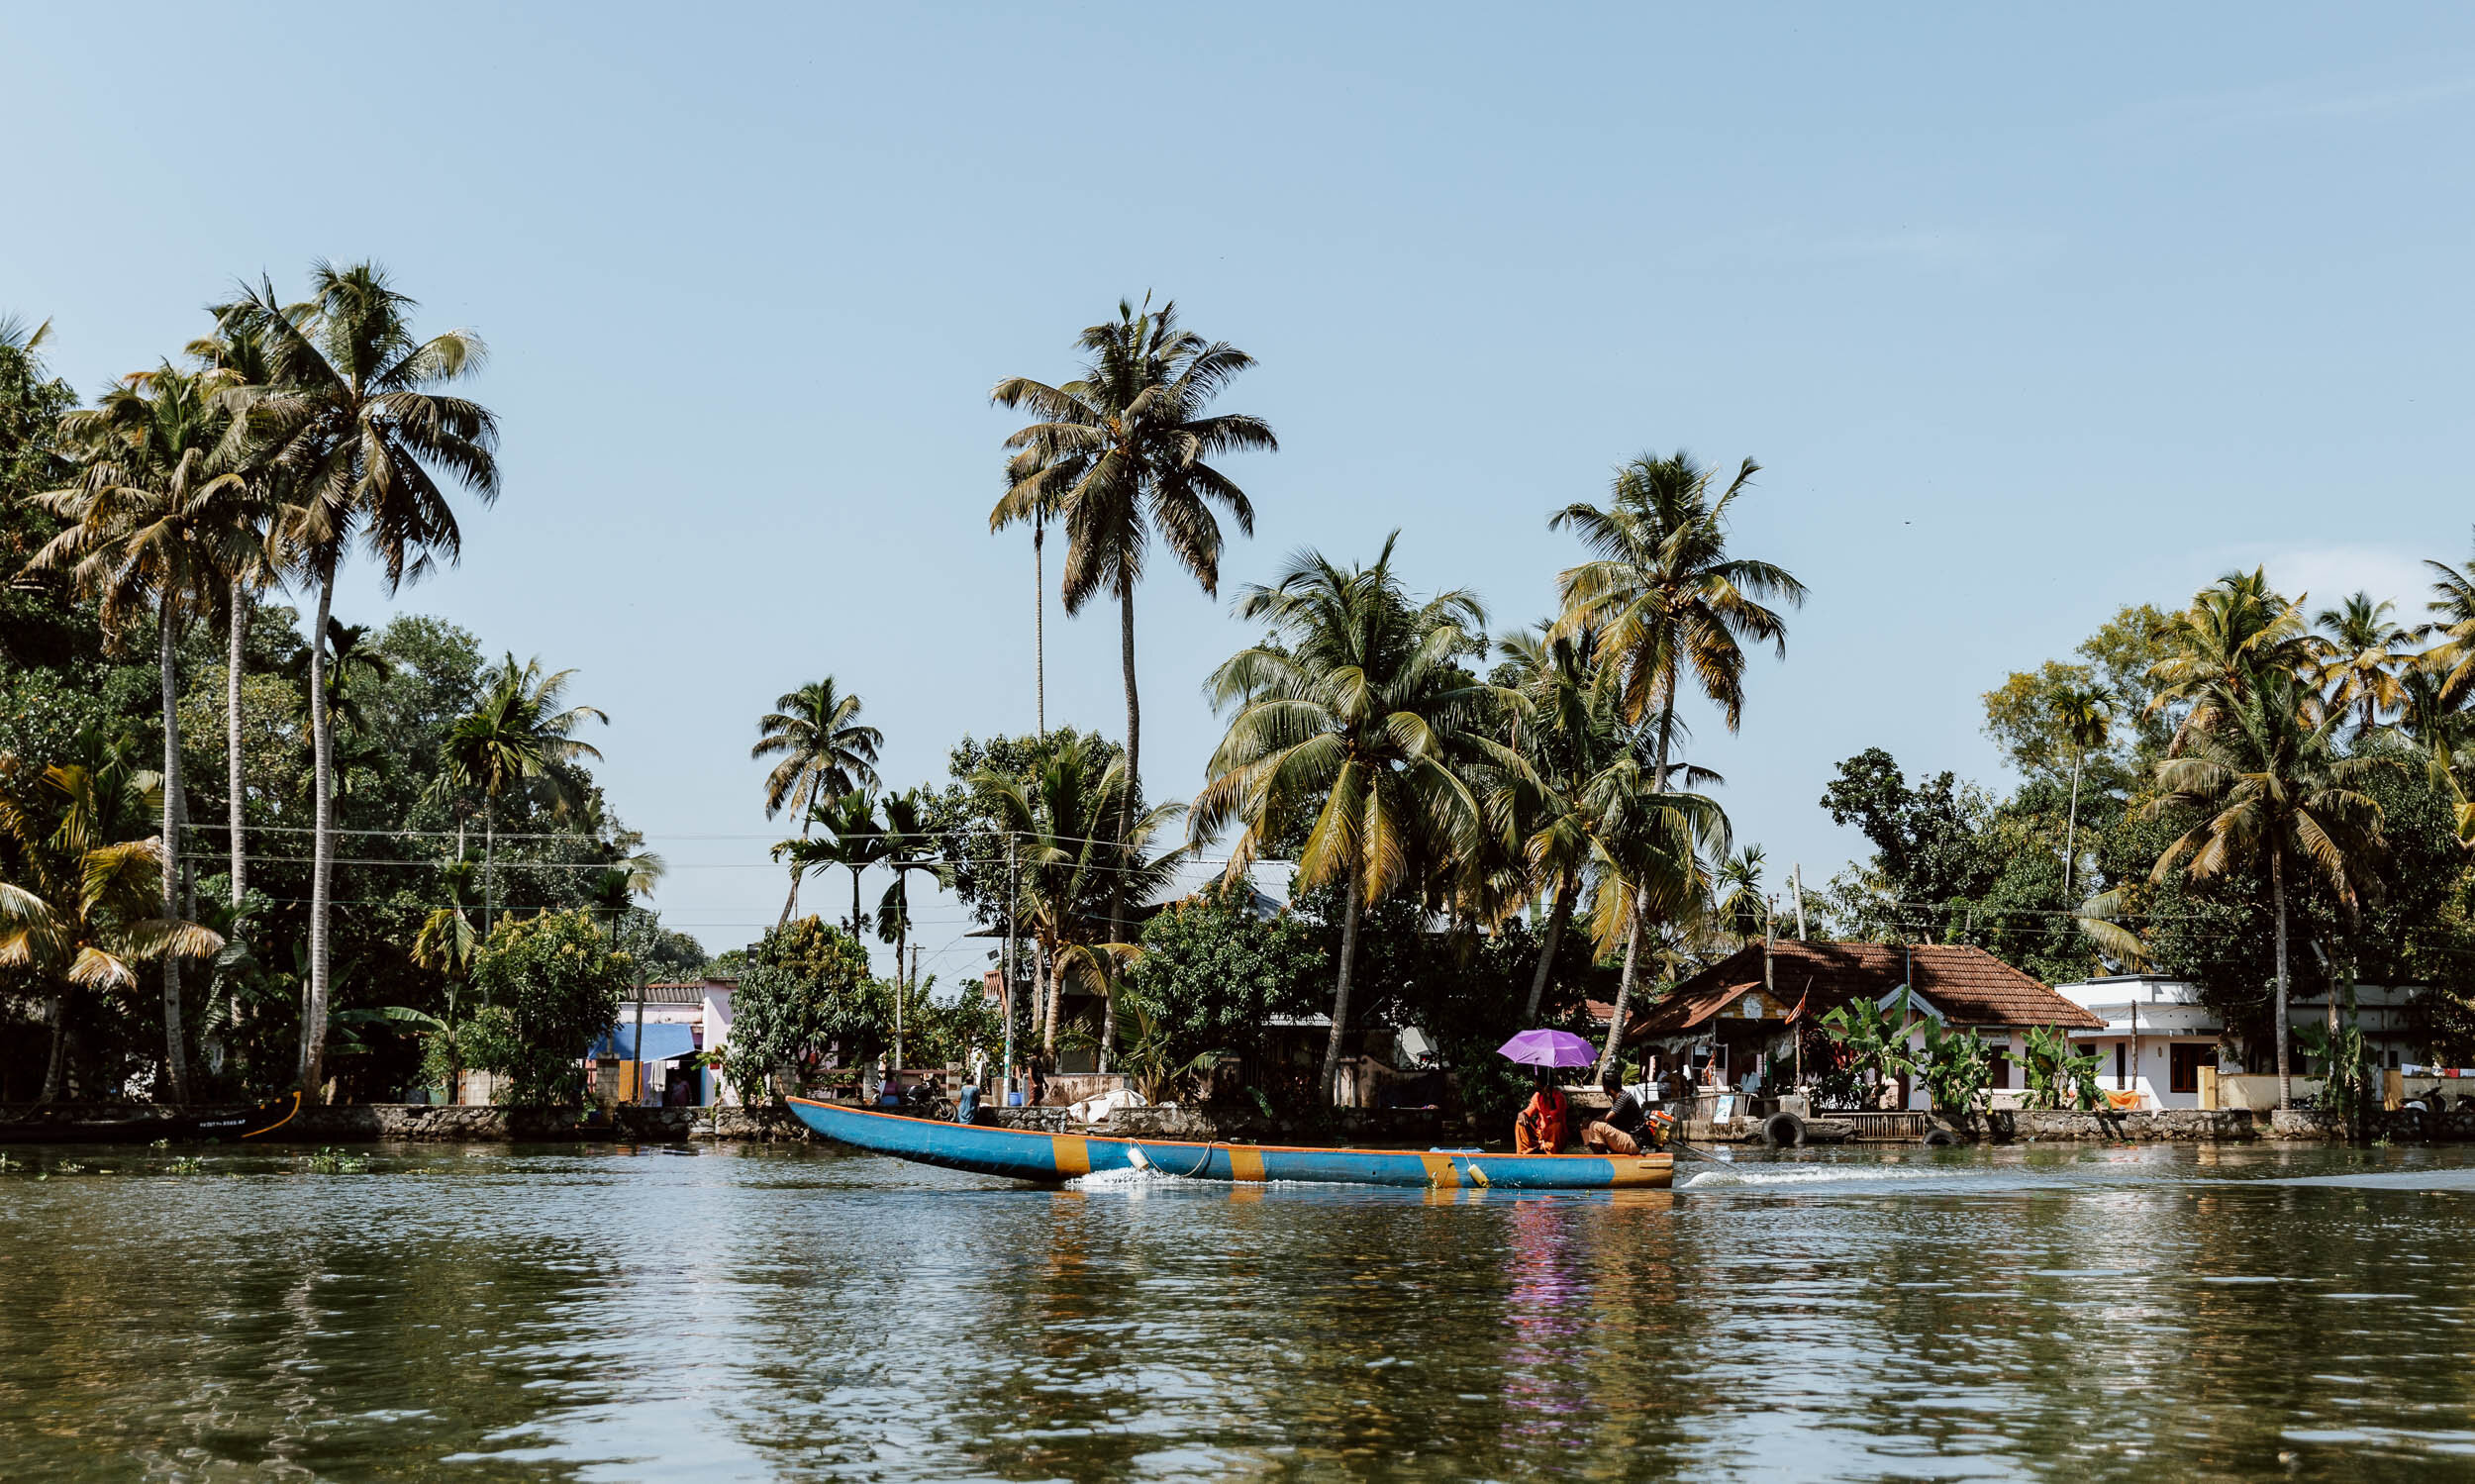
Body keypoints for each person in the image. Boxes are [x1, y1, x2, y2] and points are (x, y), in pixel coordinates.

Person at [1582, 1073, 1645, 1155]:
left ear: (1606, 1086)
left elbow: (1607, 1118)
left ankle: (1601, 1159)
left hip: (1635, 1142)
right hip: (1630, 1139)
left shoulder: (1623, 1098)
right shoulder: (1619, 1098)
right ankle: (1601, 1156)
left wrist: (1591, 1120)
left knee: (1596, 1125)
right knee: (1592, 1124)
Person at [1514, 1069, 1569, 1154]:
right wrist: (1521, 1114)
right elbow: (1528, 1112)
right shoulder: (1537, 1096)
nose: (1535, 1084)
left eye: (1536, 1081)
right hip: (1540, 1135)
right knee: (1520, 1122)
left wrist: (1550, 1100)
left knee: (1557, 1126)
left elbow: (1557, 1119)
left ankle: (1549, 1150)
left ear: (1544, 1083)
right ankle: (1524, 1152)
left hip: (1554, 1137)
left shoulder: (1559, 1097)